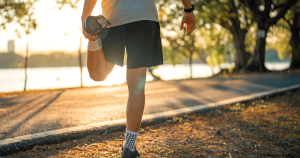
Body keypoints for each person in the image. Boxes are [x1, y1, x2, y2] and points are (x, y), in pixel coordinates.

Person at [81, 0, 196, 157]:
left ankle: (93, 35)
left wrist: (84, 18)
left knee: (100, 75)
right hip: (141, 17)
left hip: (116, 17)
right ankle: (128, 148)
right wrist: (188, 9)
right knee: (133, 86)